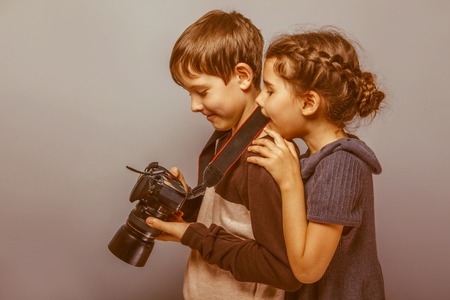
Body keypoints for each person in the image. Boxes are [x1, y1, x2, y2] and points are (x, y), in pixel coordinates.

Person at [145, 10, 301, 299]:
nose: (194, 105)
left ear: (242, 76)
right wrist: (187, 207)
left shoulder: (264, 154)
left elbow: (282, 269)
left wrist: (189, 234)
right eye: (188, 94)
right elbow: (234, 224)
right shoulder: (229, 137)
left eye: (202, 91)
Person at [247, 28, 386, 299]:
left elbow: (307, 269)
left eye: (270, 90)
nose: (259, 99)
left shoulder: (342, 166)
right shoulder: (310, 160)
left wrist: (289, 183)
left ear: (309, 102)